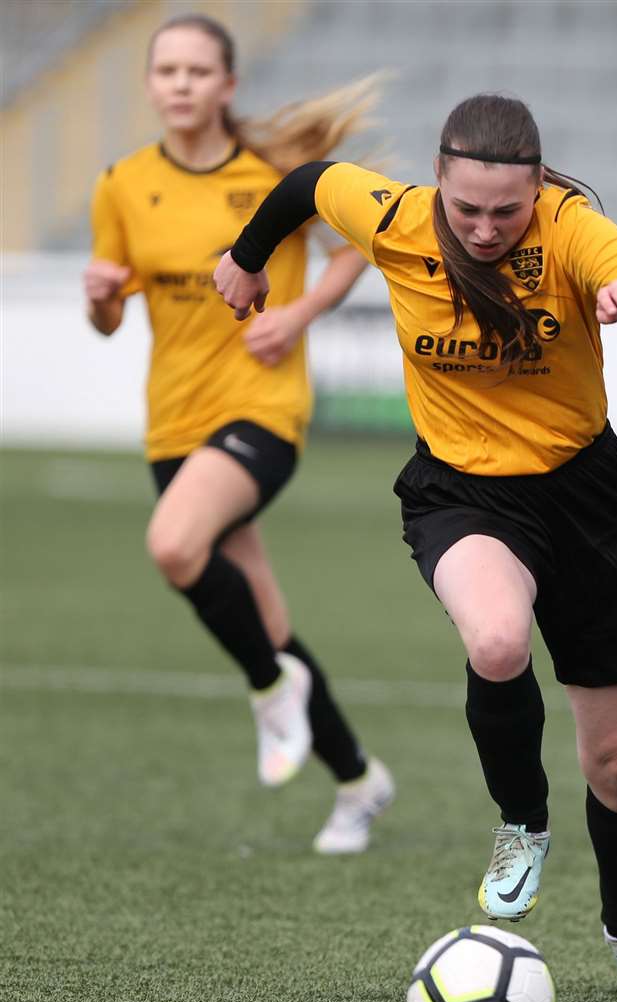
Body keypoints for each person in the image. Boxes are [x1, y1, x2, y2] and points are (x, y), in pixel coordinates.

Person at [212, 93, 617, 1002]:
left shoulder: (569, 230)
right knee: (495, 641)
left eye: (504, 211)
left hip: (582, 496)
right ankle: (522, 821)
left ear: (537, 189)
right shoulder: (396, 217)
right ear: (437, 181)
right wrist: (245, 257)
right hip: (462, 491)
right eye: (467, 208)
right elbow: (314, 184)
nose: (484, 228)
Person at [84, 13, 393, 854]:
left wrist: (296, 315)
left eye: (196, 70)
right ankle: (359, 780)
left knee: (174, 547)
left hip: (262, 410)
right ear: (151, 85)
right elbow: (110, 321)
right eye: (166, 70)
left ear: (226, 85)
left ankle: (267, 691)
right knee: (264, 611)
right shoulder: (121, 184)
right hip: (172, 425)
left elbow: (357, 245)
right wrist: (102, 296)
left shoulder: (273, 174)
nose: (179, 83)